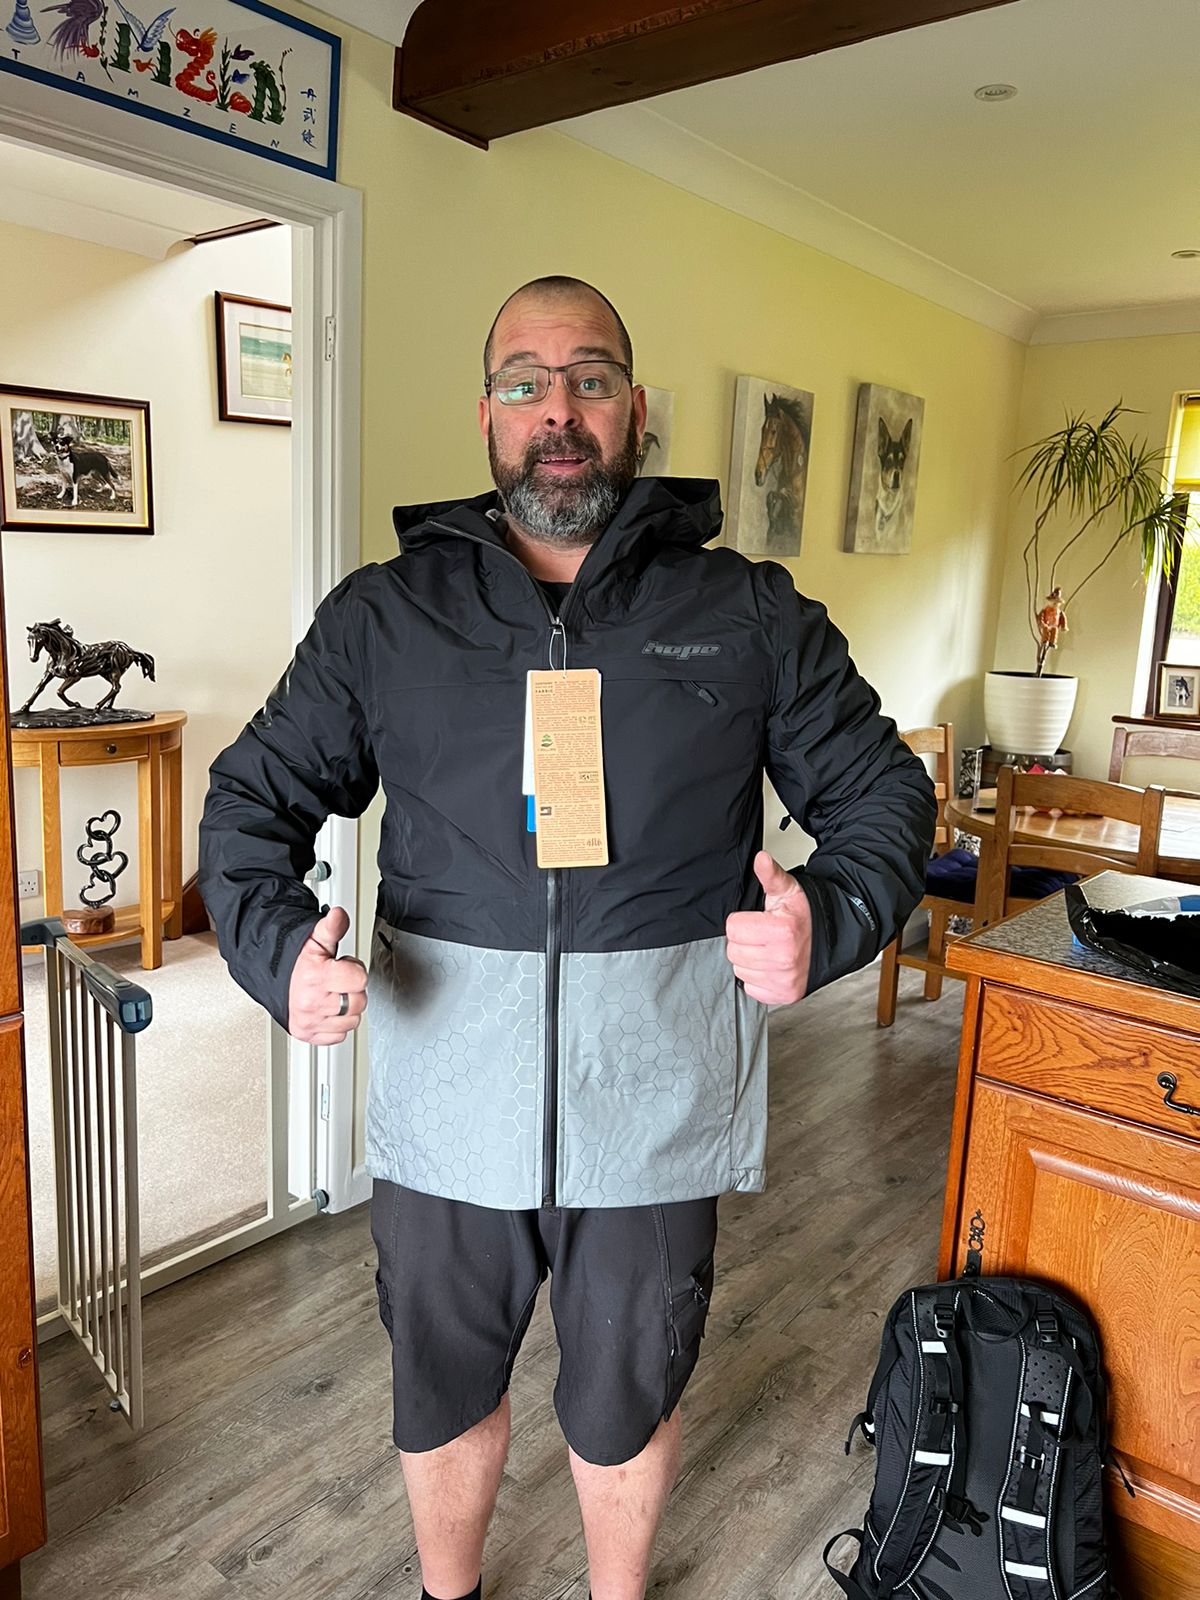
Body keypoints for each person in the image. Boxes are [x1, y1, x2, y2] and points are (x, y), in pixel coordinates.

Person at [198, 275, 937, 1600]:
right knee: (440, 1381)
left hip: (656, 1101)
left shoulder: (746, 613)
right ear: (486, 414)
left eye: (590, 380)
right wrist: (277, 951)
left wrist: (828, 917)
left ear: (634, 410)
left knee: (624, 1392)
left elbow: (885, 794)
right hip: (446, 1096)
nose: (559, 411)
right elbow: (251, 804)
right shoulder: (385, 617)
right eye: (527, 383)